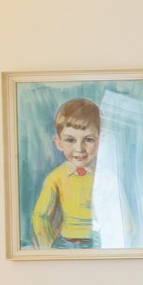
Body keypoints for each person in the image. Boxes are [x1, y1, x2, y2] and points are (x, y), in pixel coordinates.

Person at [30, 98, 106, 250]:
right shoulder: (56, 177)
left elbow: (126, 224)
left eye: (89, 140)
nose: (79, 148)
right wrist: (48, 249)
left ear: (100, 141)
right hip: (65, 242)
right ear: (58, 143)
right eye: (70, 140)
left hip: (98, 243)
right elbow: (40, 216)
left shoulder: (106, 178)